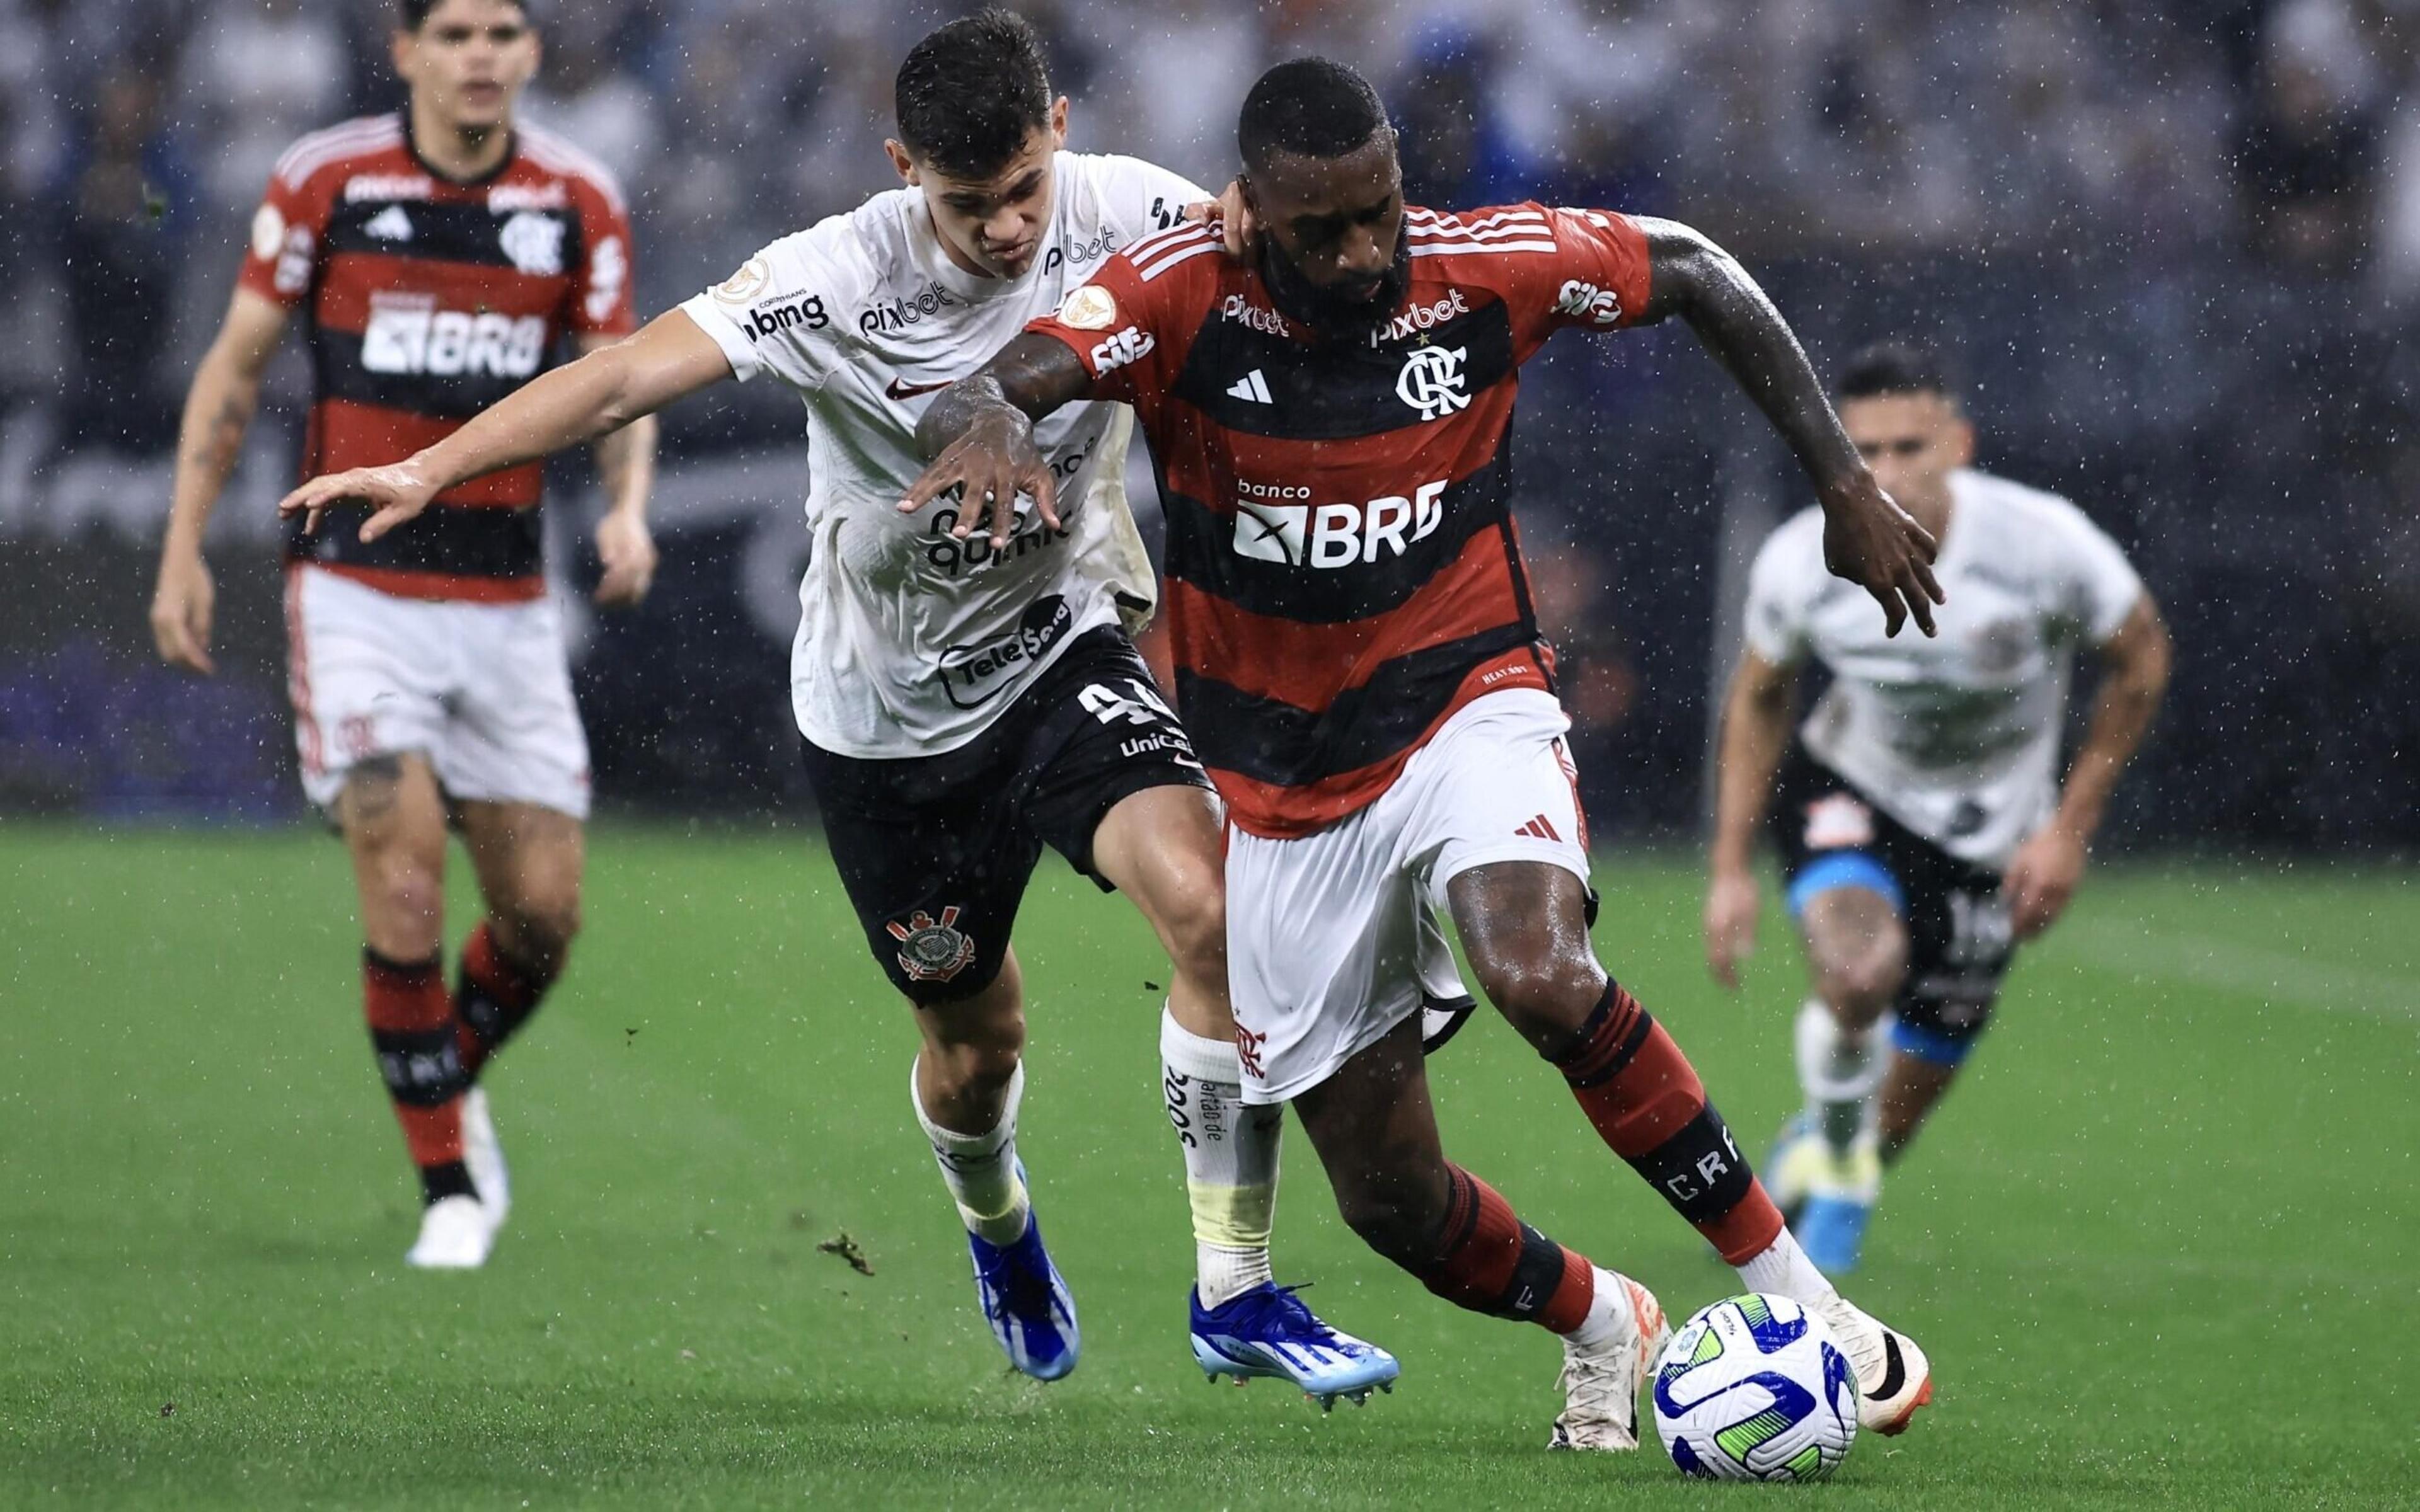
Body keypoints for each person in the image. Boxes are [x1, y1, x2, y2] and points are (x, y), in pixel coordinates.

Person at [275, 11, 1402, 1402]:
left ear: (1059, 129)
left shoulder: (1129, 210)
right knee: (976, 1049)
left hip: (1059, 652)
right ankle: (999, 1229)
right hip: (885, 722)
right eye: (965, 201)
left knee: (1211, 911)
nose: (1003, 229)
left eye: (1022, 194)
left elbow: (1290, 242)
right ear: (902, 167)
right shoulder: (832, 274)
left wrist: (1258, 220)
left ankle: (1232, 1285)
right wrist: (431, 467)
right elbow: (625, 373)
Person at [902, 57, 1942, 1452]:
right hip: (1280, 803)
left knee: (1539, 970)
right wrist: (981, 422)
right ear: (1252, 216)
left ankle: (1805, 1299)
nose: (1365, 248)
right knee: (1390, 1202)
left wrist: (1839, 478)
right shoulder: (1178, 296)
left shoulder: (1484, 269)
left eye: (1380, 207)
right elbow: (1001, 379)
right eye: (1323, 229)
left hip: (1468, 705)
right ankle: (1603, 1320)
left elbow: (1692, 269)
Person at [149, 0, 654, 1271]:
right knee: (405, 858)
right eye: (456, 33)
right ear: (408, 52)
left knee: (541, 918)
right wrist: (181, 551)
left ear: (532, 53)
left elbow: (621, 376)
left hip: (506, 597)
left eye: (503, 31)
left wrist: (631, 511)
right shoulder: (326, 180)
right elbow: (236, 366)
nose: (481, 54)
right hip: (356, 587)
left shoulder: (577, 198)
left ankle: (439, 1076)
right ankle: (448, 1191)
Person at [1705, 343, 2172, 1272]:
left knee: (1901, 1109)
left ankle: (1829, 1139)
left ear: (1958, 443)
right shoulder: (1804, 560)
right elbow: (1759, 698)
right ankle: (1838, 1169)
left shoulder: (2046, 545)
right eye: (1862, 451)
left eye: (1908, 447)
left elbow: (2143, 658)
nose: (1883, 473)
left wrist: (2067, 831)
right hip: (1850, 788)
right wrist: (1728, 871)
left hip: (1994, 831)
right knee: (1859, 974)